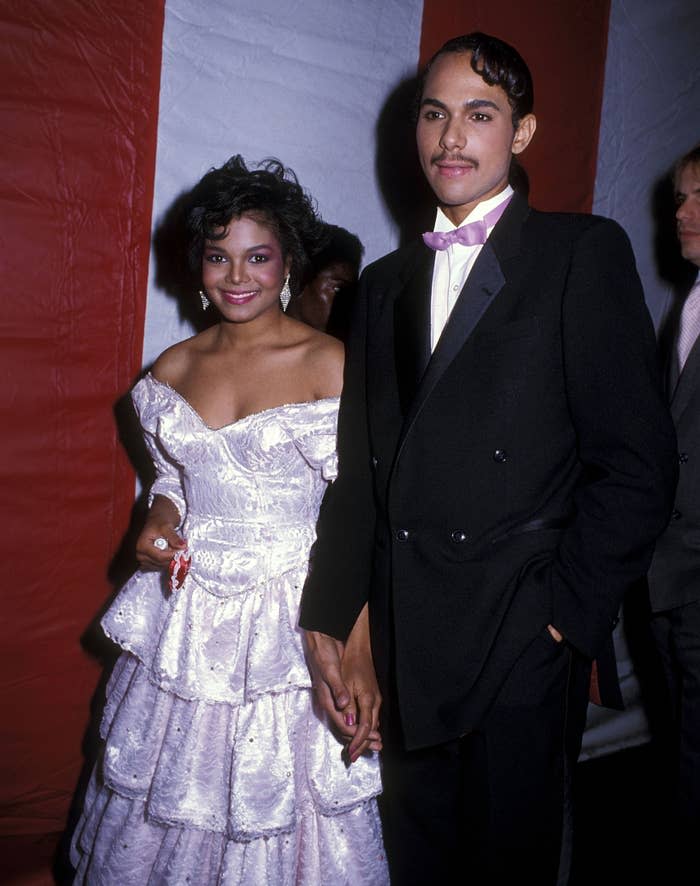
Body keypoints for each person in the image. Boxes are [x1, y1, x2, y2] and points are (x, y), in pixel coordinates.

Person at [299, 32, 678, 885]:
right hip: (406, 633)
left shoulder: (581, 252)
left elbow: (639, 465)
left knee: (511, 863)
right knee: (418, 858)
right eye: (434, 114)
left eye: (480, 114)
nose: (450, 138)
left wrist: (561, 619)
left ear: (525, 132)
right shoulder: (384, 284)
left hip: (518, 629)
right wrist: (332, 616)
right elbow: (363, 473)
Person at [69, 155, 388, 885]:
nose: (237, 275)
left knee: (277, 807)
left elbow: (362, 514)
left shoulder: (333, 364)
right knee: (169, 799)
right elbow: (171, 477)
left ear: (288, 264)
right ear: (198, 266)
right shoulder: (171, 370)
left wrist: (355, 643)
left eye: (258, 256)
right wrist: (160, 519)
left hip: (295, 618)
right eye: (219, 256)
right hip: (187, 619)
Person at [647, 143, 700, 848]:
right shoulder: (685, 308)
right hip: (666, 582)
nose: (680, 213)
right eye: (679, 197)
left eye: (698, 197)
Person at [286, 222, 363, 340]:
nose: (346, 302)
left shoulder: (345, 351)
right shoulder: (257, 342)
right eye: (337, 289)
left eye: (352, 292)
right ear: (299, 280)